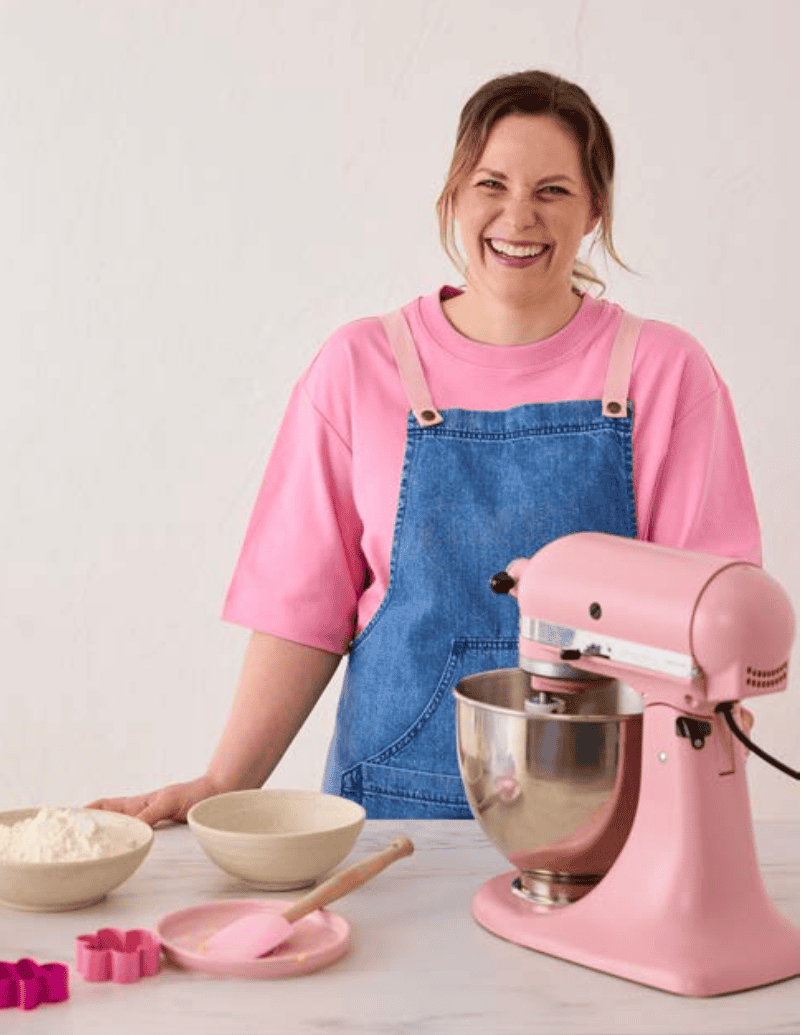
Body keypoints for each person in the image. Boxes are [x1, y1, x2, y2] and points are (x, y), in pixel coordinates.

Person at [88, 70, 761, 826]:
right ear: (451, 197)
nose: (518, 216)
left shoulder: (663, 373)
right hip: (389, 819)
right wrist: (224, 781)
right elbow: (302, 610)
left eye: (553, 191)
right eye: (491, 184)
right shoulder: (360, 366)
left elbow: (716, 628)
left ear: (595, 209)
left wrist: (692, 819)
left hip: (608, 826)